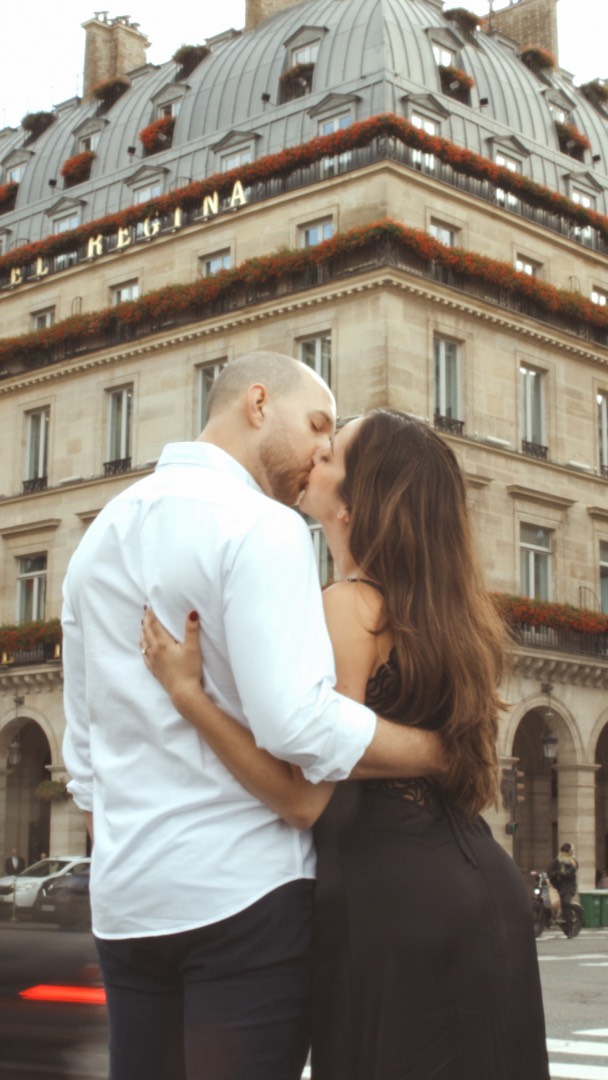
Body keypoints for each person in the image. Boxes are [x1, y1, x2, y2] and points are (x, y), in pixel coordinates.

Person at [61, 353, 444, 1080]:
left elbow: (83, 761)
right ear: (259, 404)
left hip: (127, 905)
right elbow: (297, 725)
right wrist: (435, 753)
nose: (321, 456)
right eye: (317, 429)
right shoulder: (261, 526)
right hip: (245, 897)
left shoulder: (97, 540)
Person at [142, 409, 550, 1080]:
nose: (318, 454)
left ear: (361, 501)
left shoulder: (348, 605)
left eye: (335, 454)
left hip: (393, 907)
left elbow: (304, 800)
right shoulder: (452, 617)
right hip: (481, 888)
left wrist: (190, 698)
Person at [548, 842, 579, 936]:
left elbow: (570, 871)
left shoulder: (573, 861)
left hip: (568, 887)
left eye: (567, 851)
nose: (565, 853)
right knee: (544, 897)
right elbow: (549, 870)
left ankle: (570, 928)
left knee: (566, 902)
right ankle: (546, 919)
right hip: (556, 885)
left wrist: (561, 874)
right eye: (564, 851)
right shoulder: (557, 860)